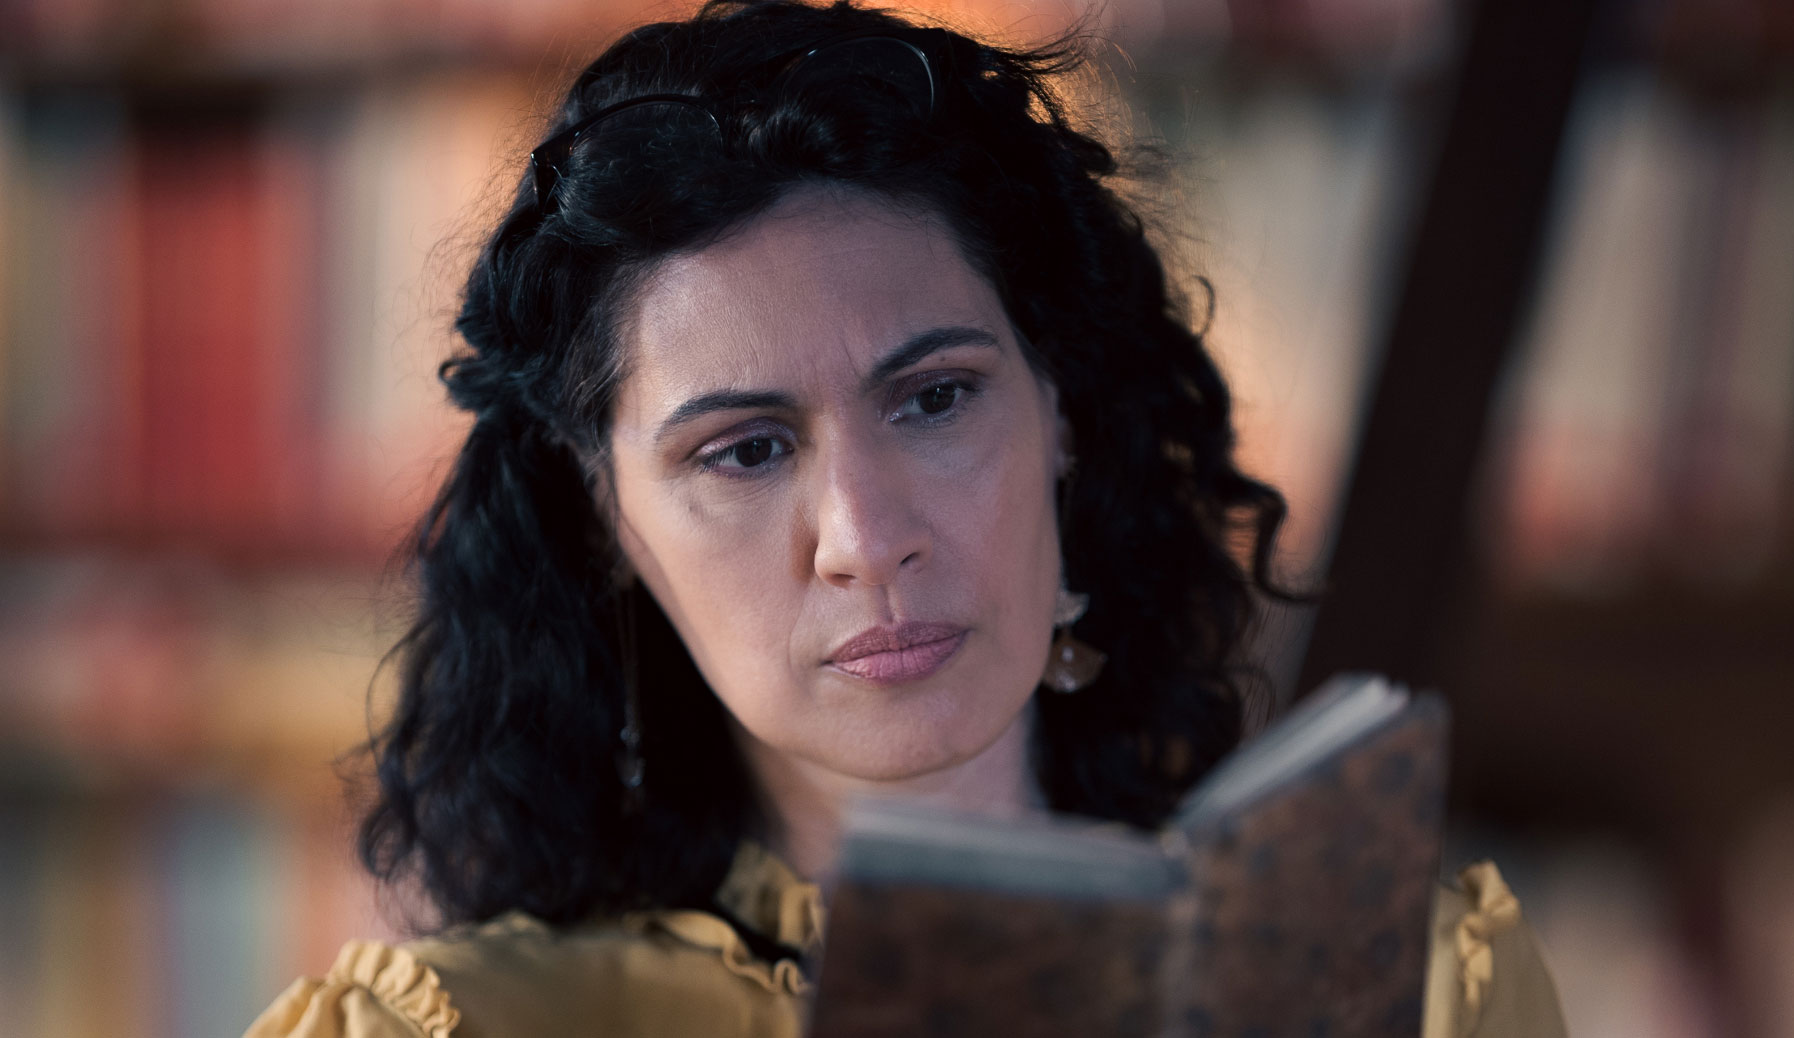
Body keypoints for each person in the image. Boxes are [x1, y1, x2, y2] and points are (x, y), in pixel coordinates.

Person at [246, 1, 1565, 1035]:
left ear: (1059, 411)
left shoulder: (1407, 990)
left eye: (934, 400)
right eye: (747, 449)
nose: (867, 536)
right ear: (605, 522)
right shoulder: (448, 1032)